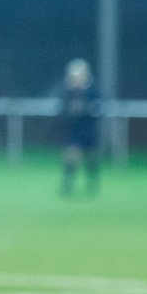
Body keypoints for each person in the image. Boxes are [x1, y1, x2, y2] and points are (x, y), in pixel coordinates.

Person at [59, 58, 100, 196]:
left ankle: (92, 183)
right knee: (70, 155)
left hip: (88, 128)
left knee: (90, 157)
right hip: (74, 129)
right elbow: (62, 109)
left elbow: (99, 107)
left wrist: (88, 109)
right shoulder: (67, 91)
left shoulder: (92, 90)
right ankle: (68, 184)